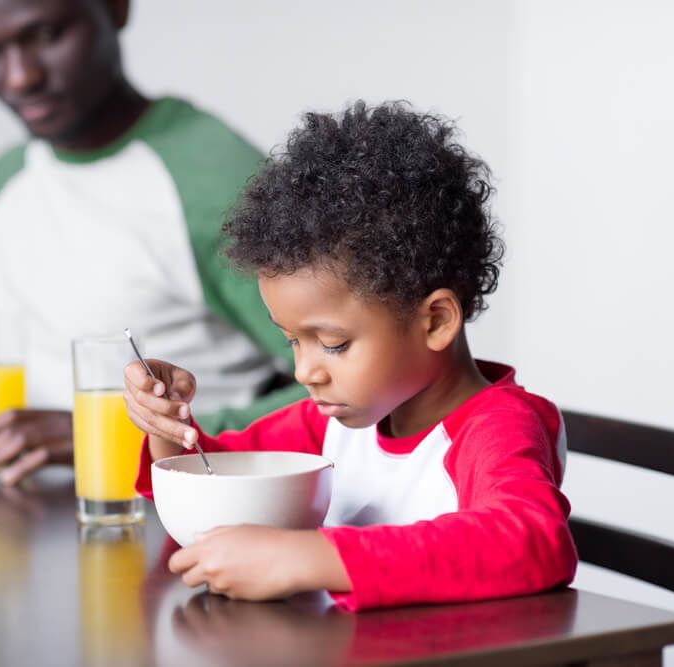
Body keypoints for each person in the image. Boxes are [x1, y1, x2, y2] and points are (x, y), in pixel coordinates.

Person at [0, 0, 305, 485]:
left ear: (115, 8)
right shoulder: (2, 185)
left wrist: (111, 435)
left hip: (169, 521)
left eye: (46, 36)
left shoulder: (213, 180)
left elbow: (340, 386)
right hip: (14, 519)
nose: (20, 76)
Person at [124, 101, 577, 610]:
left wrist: (306, 557)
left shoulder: (496, 427)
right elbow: (219, 480)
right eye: (293, 340)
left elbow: (531, 540)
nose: (304, 371)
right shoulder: (331, 423)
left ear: (435, 322)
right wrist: (166, 426)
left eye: (334, 344)